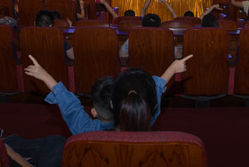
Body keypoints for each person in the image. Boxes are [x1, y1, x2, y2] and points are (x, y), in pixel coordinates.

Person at [25, 54, 192, 133]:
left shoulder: (85, 130)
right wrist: (172, 69)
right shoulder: (143, 119)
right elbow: (153, 93)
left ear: (94, 112)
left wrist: (44, 76)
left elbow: (69, 106)